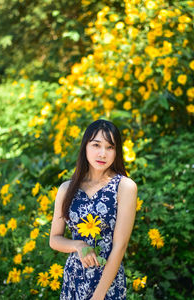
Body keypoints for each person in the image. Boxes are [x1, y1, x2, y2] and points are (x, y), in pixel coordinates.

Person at [49, 119, 138, 300]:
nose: (102, 153)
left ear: (116, 152)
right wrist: (78, 244)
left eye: (110, 147)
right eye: (96, 145)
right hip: (74, 279)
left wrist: (98, 295)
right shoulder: (67, 189)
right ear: (85, 147)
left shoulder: (125, 187)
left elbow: (120, 246)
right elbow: (54, 239)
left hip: (108, 283)